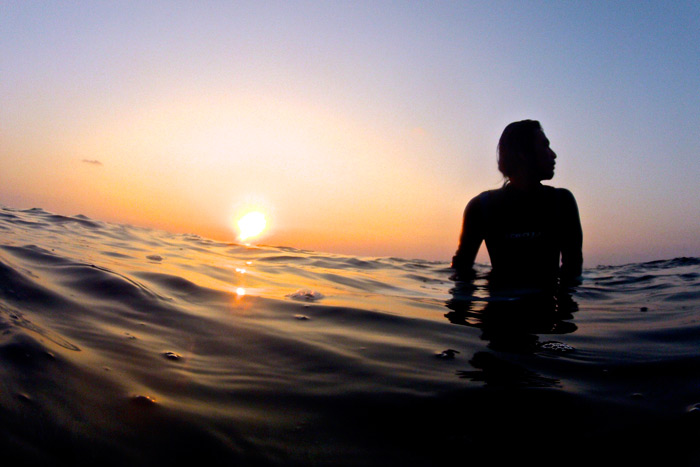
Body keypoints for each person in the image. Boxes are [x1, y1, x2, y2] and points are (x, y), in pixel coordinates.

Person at [451, 120, 582, 287]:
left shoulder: (562, 202)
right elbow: (462, 272)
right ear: (522, 153)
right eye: (544, 146)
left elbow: (572, 271)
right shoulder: (481, 207)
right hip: (498, 309)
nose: (553, 154)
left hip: (546, 311)